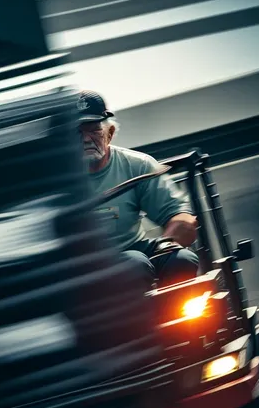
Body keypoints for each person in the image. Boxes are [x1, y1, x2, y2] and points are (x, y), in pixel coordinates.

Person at [77, 89, 199, 288]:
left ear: (110, 133)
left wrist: (167, 245)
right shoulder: (56, 181)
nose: (85, 139)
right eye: (77, 132)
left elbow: (181, 218)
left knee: (181, 259)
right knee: (134, 264)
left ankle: (175, 316)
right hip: (83, 271)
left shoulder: (138, 166)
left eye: (93, 130)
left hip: (134, 252)